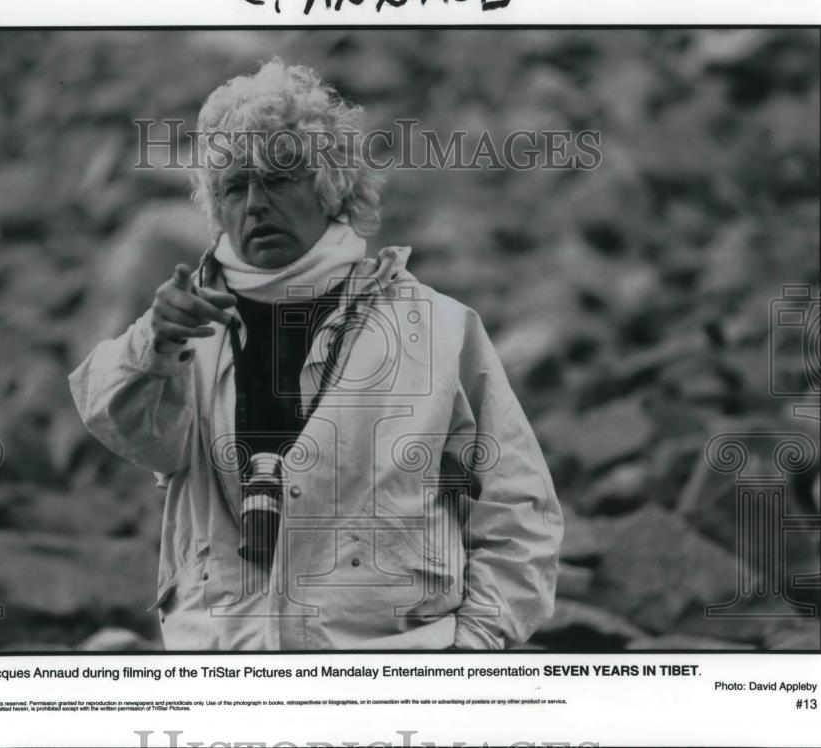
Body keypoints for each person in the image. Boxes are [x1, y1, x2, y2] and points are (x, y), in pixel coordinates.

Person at [69, 59, 563, 650]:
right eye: (233, 186)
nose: (254, 204)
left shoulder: (438, 329)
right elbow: (124, 428)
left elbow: (520, 507)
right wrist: (155, 340)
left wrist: (474, 642)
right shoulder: (185, 331)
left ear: (330, 187)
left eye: (277, 179)